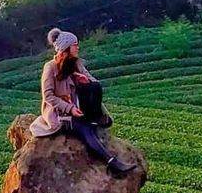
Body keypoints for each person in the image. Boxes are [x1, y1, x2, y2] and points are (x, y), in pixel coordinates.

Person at [31, 27, 135, 174]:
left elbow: (93, 80)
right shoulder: (50, 67)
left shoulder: (76, 63)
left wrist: (85, 80)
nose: (78, 47)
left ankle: (93, 118)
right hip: (61, 112)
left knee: (95, 86)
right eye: (75, 45)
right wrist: (70, 108)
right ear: (67, 47)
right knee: (86, 130)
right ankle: (113, 164)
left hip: (79, 105)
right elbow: (48, 96)